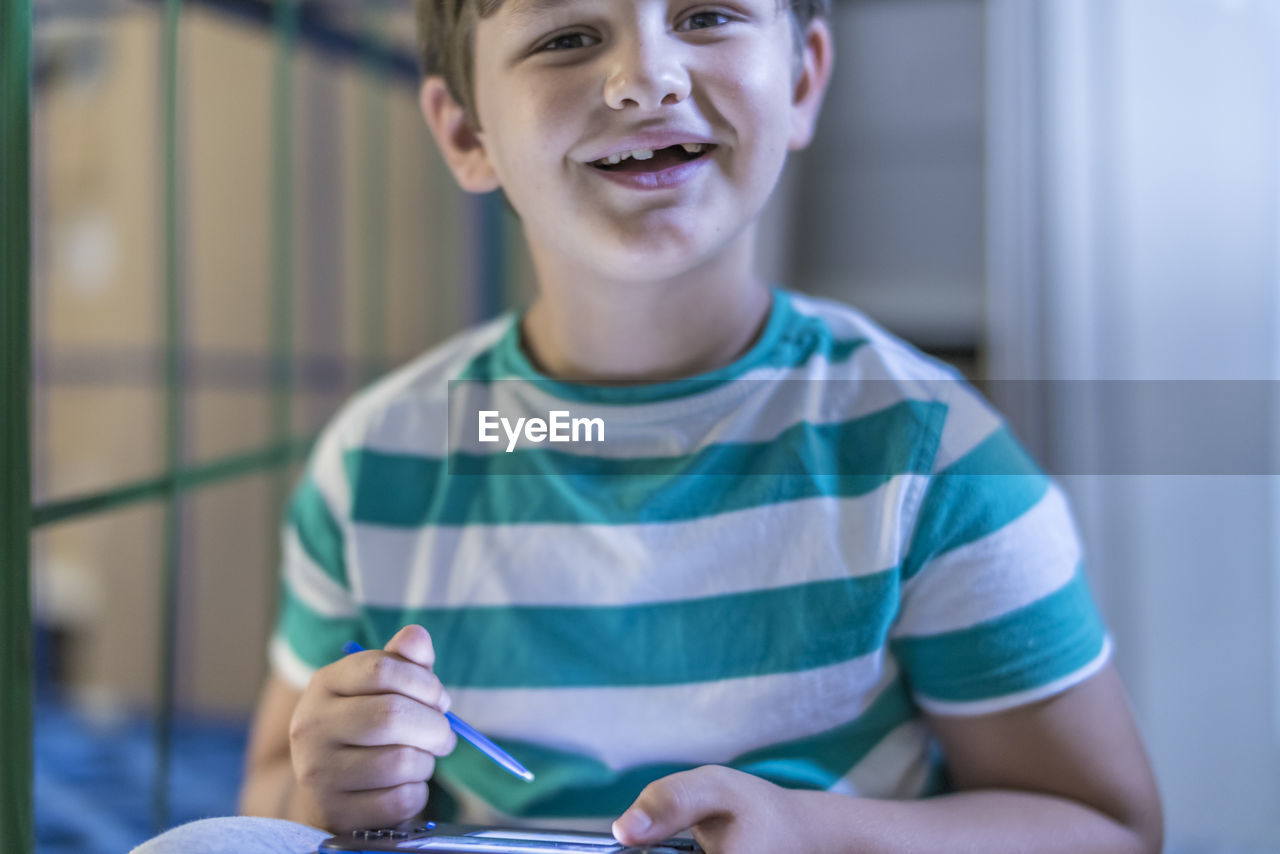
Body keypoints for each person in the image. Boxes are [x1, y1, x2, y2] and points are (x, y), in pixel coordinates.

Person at [135, 0, 1163, 851]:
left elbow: (1105, 824)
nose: (645, 78)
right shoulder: (372, 463)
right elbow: (277, 785)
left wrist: (813, 832)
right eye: (567, 37)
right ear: (465, 133)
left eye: (706, 15)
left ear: (801, 80)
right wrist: (331, 791)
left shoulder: (935, 456)